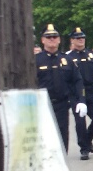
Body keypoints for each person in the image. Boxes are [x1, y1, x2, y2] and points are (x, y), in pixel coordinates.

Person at [35, 24, 85, 152]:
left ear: (59, 39)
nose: (52, 39)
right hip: (42, 106)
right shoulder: (36, 60)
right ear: (42, 40)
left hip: (62, 106)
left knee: (62, 141)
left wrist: (81, 100)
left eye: (54, 36)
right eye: (48, 36)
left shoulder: (66, 59)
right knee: (45, 142)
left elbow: (77, 80)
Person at [65, 27, 93, 160]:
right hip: (77, 94)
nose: (81, 40)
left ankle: (88, 139)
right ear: (72, 40)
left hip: (91, 91)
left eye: (82, 38)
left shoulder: (92, 55)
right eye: (78, 38)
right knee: (80, 122)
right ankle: (84, 148)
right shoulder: (68, 57)